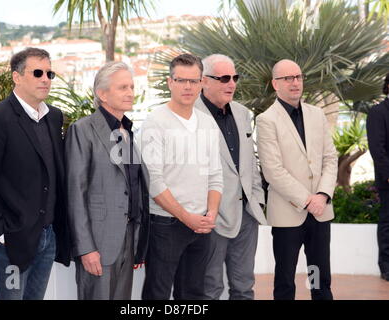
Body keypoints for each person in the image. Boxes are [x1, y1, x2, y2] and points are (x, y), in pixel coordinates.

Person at [0, 47, 71, 300]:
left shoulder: (53, 117)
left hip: (47, 238)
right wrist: (0, 234)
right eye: (37, 73)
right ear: (17, 77)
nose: (45, 79)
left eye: (49, 73)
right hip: (10, 244)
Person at [140, 53, 223, 300]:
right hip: (166, 225)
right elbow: (154, 181)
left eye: (193, 81)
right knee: (158, 293)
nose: (188, 87)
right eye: (181, 80)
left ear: (201, 83)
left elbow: (216, 175)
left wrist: (211, 214)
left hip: (201, 224)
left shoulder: (208, 124)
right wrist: (187, 217)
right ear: (170, 82)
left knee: (194, 294)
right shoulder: (155, 122)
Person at [65, 61, 149, 300]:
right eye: (123, 87)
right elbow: (75, 193)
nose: (131, 93)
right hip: (99, 243)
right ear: (102, 94)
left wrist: (137, 243)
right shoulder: (82, 130)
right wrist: (86, 248)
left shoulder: (128, 132)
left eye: (132, 86)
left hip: (128, 239)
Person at [256, 59, 338, 300]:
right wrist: (306, 200)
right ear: (275, 84)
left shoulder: (317, 114)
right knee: (285, 279)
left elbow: (330, 158)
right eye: (287, 78)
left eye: (298, 77)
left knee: (318, 275)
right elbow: (273, 170)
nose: (295, 83)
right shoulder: (267, 120)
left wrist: (322, 196)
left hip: (320, 211)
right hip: (288, 213)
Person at [194, 54, 266, 300]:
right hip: (211, 217)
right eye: (224, 78)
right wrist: (202, 212)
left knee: (244, 286)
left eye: (235, 77)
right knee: (210, 288)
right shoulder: (190, 115)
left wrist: (257, 199)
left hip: (246, 215)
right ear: (204, 81)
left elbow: (250, 162)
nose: (231, 84)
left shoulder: (243, 113)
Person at [366, 72, 389, 282]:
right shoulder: (378, 112)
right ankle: (386, 266)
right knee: (388, 223)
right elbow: (377, 148)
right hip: (388, 180)